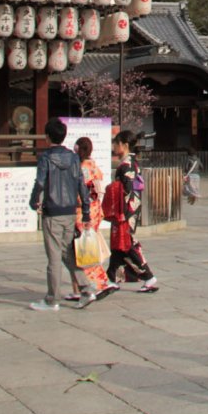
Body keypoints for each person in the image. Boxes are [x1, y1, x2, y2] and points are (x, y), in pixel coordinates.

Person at [28, 118, 94, 311]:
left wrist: (34, 201)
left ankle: (52, 299)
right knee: (67, 253)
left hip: (53, 211)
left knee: (55, 257)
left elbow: (41, 182)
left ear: (47, 137)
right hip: (70, 211)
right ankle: (86, 289)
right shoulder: (74, 158)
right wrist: (87, 212)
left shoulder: (46, 158)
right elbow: (82, 185)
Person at [105, 129, 159, 292]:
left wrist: (117, 200)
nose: (114, 146)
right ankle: (112, 277)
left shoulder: (127, 165)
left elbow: (127, 189)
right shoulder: (130, 162)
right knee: (118, 245)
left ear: (124, 145)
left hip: (126, 210)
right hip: (128, 209)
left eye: (116, 143)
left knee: (126, 243)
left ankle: (148, 276)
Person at [64, 136, 114, 302]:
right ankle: (79, 289)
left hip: (83, 212)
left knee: (83, 250)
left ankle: (99, 283)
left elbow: (81, 192)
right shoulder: (93, 166)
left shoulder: (81, 168)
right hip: (95, 210)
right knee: (82, 249)